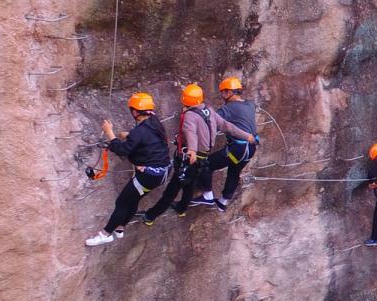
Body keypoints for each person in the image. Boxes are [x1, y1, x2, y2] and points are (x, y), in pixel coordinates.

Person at [143, 84, 255, 224]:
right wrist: (246, 136)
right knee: (189, 185)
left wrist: (191, 150)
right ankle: (182, 209)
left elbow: (190, 133)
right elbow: (227, 126)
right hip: (202, 157)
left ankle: (150, 216)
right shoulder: (209, 110)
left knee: (171, 190)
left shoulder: (190, 115)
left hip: (190, 158)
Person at [85, 93, 171, 246]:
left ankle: (105, 233)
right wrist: (130, 136)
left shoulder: (140, 131)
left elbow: (123, 150)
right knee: (133, 199)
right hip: (160, 172)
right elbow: (147, 140)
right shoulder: (155, 123)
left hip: (148, 176)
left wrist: (109, 132)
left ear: (135, 111)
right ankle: (120, 228)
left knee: (122, 202)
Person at [191, 77, 259, 212]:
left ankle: (208, 196)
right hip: (251, 148)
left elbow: (211, 124)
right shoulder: (250, 104)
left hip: (238, 148)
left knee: (205, 163)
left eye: (223, 92)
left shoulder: (227, 109)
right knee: (234, 171)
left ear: (229, 92)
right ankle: (222, 202)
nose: (222, 96)